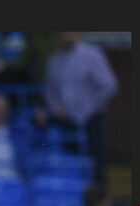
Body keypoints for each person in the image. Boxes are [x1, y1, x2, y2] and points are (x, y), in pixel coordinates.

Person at [35, 32, 119, 185]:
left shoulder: (92, 55)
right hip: (65, 119)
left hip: (91, 118)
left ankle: (98, 200)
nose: (66, 36)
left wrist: (87, 108)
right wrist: (55, 106)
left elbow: (109, 85)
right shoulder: (55, 60)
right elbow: (49, 90)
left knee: (95, 163)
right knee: (69, 159)